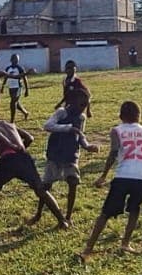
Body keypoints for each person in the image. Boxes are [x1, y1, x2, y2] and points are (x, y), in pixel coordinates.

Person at [0, 110, 70, 237]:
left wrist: (10, 146)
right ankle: (62, 220)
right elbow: (30, 138)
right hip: (24, 159)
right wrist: (19, 149)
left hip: (8, 162)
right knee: (40, 190)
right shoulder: (10, 125)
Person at [81, 101, 142, 261]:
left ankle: (88, 249)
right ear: (139, 116)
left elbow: (114, 152)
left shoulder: (117, 130)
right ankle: (125, 243)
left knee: (105, 213)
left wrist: (104, 175)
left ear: (120, 116)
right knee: (135, 209)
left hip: (123, 176)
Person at [30, 89, 99, 224]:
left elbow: (80, 135)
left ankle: (68, 217)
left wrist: (87, 146)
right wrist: (67, 128)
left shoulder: (81, 118)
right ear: (72, 102)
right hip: (55, 154)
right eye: (81, 105)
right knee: (46, 186)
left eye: (86, 105)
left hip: (71, 155)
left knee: (73, 182)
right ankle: (38, 214)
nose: (83, 108)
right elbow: (47, 126)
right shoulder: (62, 113)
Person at [4, 53, 31, 123]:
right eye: (14, 59)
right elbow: (5, 77)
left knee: (13, 102)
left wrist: (27, 90)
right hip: (11, 87)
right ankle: (25, 113)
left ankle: (12, 120)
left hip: (18, 87)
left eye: (17, 59)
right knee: (16, 103)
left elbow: (25, 78)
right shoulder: (8, 68)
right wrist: (2, 87)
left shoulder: (20, 68)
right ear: (11, 60)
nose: (16, 60)